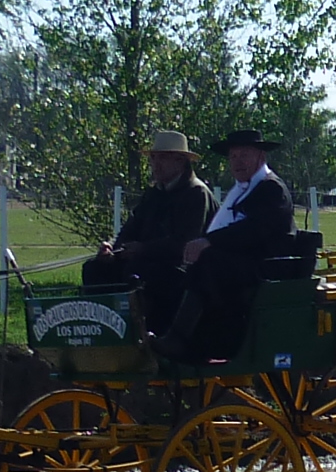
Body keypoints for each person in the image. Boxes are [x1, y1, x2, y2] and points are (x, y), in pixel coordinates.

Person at [151, 127, 295, 359]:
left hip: (269, 265)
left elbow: (253, 231)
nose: (237, 162)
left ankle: (182, 339)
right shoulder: (242, 189)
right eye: (233, 156)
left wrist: (208, 242)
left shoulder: (271, 188)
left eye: (244, 155)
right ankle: (187, 336)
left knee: (208, 261)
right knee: (192, 266)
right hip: (248, 261)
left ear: (261, 157)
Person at [84, 130, 216, 332]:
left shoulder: (195, 194)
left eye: (162, 158)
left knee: (143, 273)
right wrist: (112, 247)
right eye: (153, 158)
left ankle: (146, 338)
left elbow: (184, 243)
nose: (155, 164)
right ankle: (102, 332)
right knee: (94, 268)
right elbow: (131, 228)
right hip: (144, 261)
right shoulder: (154, 194)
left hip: (181, 270)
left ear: (180, 161)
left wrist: (142, 249)